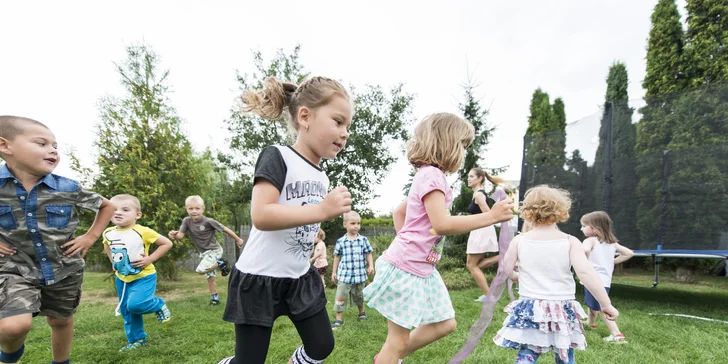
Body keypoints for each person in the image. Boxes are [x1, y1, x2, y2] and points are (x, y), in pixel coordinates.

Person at [217, 76, 354, 364]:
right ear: (305, 116)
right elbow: (262, 215)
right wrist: (322, 211)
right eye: (338, 122)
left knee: (321, 346)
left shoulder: (321, 175)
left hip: (298, 277)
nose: (345, 133)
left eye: (348, 127)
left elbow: (305, 223)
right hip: (259, 279)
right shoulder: (277, 156)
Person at [364, 112, 515, 364]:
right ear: (447, 142)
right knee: (398, 340)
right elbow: (442, 224)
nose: (464, 152)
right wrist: (491, 217)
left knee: (445, 324)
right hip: (406, 267)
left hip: (423, 268)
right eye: (463, 145)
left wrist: (410, 240)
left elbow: (399, 211)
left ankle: (387, 358)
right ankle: (389, 358)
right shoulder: (432, 175)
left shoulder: (430, 176)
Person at [0, 116, 115, 364]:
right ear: (4, 145)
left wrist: (91, 236)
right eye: (41, 143)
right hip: (14, 268)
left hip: (64, 267)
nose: (52, 150)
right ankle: (9, 355)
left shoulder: (67, 188)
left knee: (60, 320)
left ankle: (60, 362)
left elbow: (107, 206)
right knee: (13, 326)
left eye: (55, 146)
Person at [493, 186, 619, 363]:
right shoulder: (570, 241)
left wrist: (515, 277)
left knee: (528, 352)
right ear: (561, 210)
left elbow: (505, 269)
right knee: (564, 353)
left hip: (531, 308)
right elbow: (586, 272)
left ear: (527, 211)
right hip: (562, 309)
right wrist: (606, 304)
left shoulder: (519, 240)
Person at [102, 194, 173, 351]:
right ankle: (137, 339)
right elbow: (107, 245)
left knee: (136, 305)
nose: (118, 213)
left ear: (137, 215)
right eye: (114, 209)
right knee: (127, 310)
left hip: (144, 276)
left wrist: (150, 259)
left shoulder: (143, 231)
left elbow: (167, 243)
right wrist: (112, 261)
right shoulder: (108, 232)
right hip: (122, 278)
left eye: (125, 209)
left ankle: (158, 305)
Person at [168, 195, 244, 306]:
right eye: (191, 208)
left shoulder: (208, 221)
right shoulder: (187, 221)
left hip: (214, 250)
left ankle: (220, 263)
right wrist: (173, 234)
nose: (194, 211)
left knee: (200, 270)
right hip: (204, 252)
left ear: (203, 209)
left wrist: (238, 239)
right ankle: (215, 299)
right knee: (210, 277)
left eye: (197, 208)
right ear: (187, 209)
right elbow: (180, 236)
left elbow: (224, 229)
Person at [580, 211, 634, 344]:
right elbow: (629, 253)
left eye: (584, 225)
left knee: (604, 307)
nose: (581, 228)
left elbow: (585, 250)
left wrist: (583, 262)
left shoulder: (590, 240)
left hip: (592, 279)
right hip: (605, 280)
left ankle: (617, 334)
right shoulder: (612, 243)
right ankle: (591, 323)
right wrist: (611, 262)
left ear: (594, 227)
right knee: (595, 302)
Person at [465, 167, 504, 302]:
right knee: (475, 264)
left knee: (471, 265)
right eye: (468, 176)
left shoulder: (479, 195)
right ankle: (503, 257)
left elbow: (489, 215)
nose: (468, 179)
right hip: (479, 229)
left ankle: (489, 297)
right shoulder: (477, 194)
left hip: (481, 229)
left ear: (479, 178)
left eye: (471, 176)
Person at [331, 211, 374, 329]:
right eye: (353, 223)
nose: (356, 226)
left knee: (359, 295)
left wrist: (371, 265)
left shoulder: (363, 240)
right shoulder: (341, 241)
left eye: (358, 223)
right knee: (341, 296)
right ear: (345, 224)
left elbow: (369, 253)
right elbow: (337, 257)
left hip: (360, 275)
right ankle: (339, 318)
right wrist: (334, 272)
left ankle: (361, 312)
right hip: (345, 275)